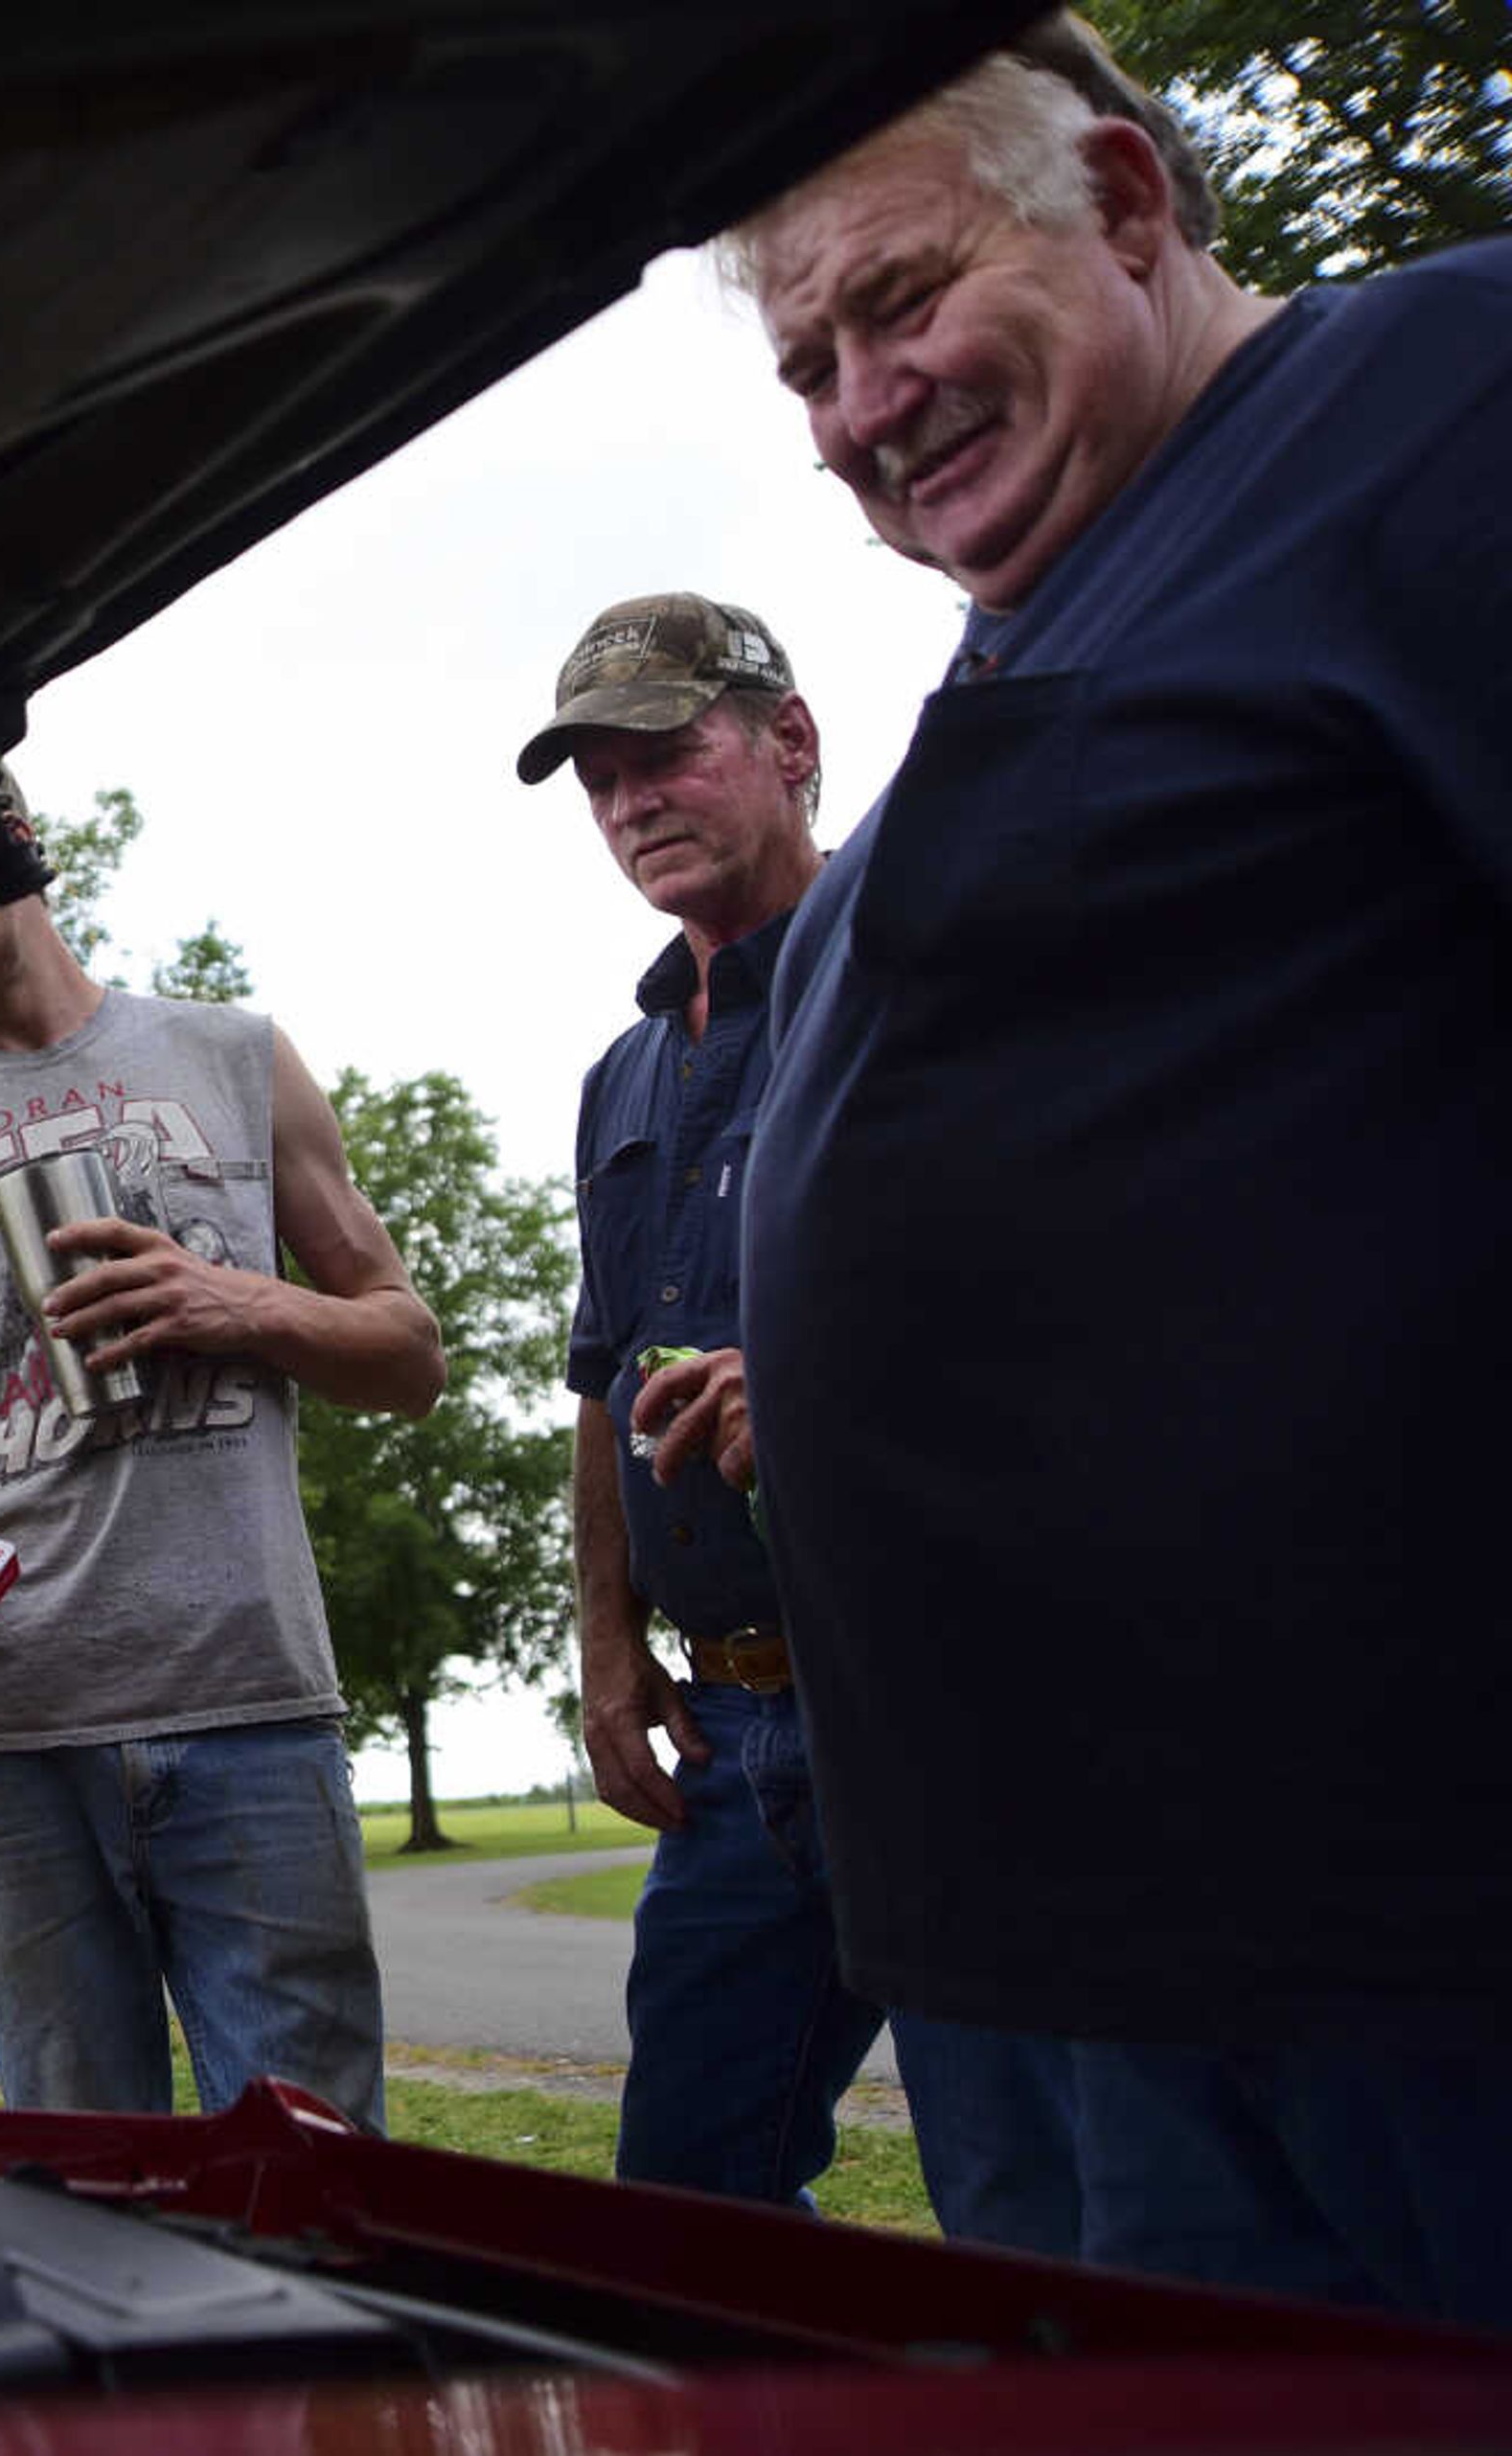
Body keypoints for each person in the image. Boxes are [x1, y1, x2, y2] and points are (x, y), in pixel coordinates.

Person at [722, 15, 1512, 2323]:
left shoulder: (1431, 400)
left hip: (1392, 1957)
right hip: (1079, 1965)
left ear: (1127, 204)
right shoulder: (1047, 611)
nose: (860, 406)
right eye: (804, 369)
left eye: (901, 303)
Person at [0, 760, 444, 2123]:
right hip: (5, 1740)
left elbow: (408, 1350)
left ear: (12, 849)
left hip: (248, 1706)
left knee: (319, 2185)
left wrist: (232, 1299)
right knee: (88, 2202)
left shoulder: (232, 1056)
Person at [519, 592, 1078, 2252]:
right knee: (685, 2210)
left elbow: (1071, 1271)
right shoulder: (621, 1076)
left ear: (791, 741)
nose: (632, 802)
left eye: (668, 751)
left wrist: (829, 1377)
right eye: (599, 778)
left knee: (1025, 2204)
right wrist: (607, 1647)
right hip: (733, 1730)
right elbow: (604, 1378)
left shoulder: (926, 961)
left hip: (937, 1697)